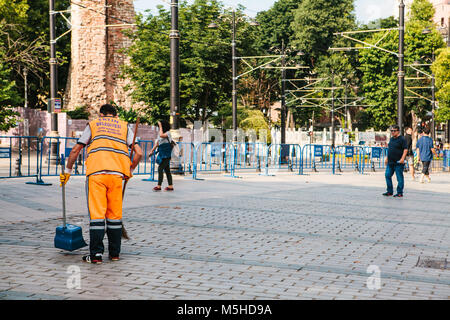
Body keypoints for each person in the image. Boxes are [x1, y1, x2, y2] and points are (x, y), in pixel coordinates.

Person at [59, 104, 143, 264]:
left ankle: (96, 255)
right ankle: (114, 254)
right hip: (118, 175)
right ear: (115, 115)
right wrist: (129, 170)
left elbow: (76, 149)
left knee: (97, 215)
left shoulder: (94, 124)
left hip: (96, 174)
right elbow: (139, 152)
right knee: (114, 215)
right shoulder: (125, 126)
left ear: (102, 114)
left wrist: (67, 172)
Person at [383, 125, 408, 198]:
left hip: (398, 162)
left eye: (394, 131)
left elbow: (405, 149)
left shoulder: (402, 139)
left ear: (398, 131)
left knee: (399, 178)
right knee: (387, 175)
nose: (393, 132)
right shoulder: (391, 139)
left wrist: (402, 159)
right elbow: (390, 149)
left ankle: (399, 192)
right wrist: (387, 158)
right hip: (390, 161)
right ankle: (389, 191)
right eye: (391, 131)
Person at [149, 120, 174, 191]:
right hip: (162, 153)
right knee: (167, 170)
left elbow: (161, 135)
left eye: (160, 126)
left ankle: (159, 186)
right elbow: (157, 143)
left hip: (166, 154)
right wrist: (152, 150)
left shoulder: (168, 133)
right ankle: (170, 186)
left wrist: (160, 126)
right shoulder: (160, 133)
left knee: (160, 168)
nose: (159, 128)